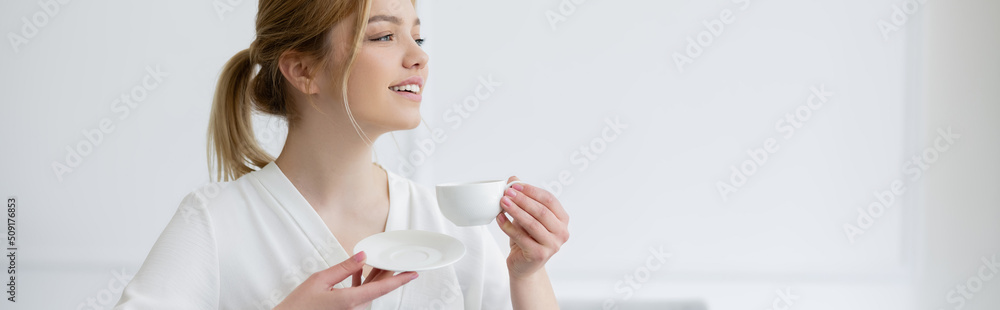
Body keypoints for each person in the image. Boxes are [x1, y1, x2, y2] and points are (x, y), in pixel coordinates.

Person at [113, 0, 570, 309]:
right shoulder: (214, 224)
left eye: (418, 38)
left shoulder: (448, 226)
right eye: (383, 37)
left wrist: (528, 275)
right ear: (303, 70)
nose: (418, 58)